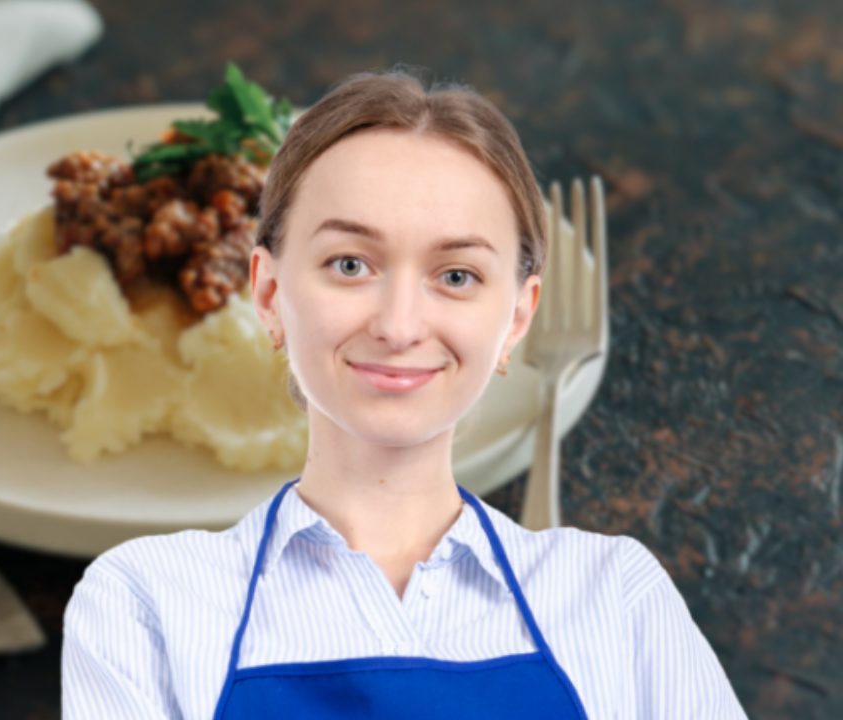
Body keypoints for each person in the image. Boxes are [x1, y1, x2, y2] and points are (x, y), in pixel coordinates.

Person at [61, 69, 747, 719]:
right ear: (269, 293)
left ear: (516, 318)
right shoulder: (147, 601)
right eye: (350, 265)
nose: (398, 326)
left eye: (456, 276)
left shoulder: (613, 596)